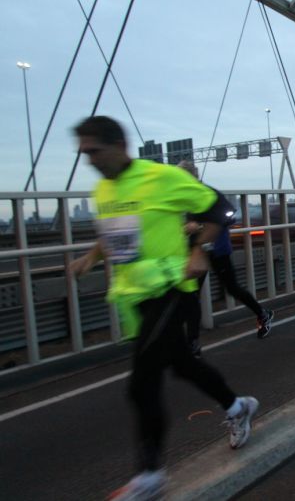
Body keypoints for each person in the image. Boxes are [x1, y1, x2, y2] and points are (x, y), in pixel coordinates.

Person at [68, 116, 258, 500]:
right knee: (183, 364)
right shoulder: (103, 190)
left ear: (119, 145)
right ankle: (238, 406)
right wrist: (90, 256)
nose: (89, 159)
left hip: (171, 287)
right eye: (84, 153)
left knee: (142, 383)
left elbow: (221, 209)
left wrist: (200, 249)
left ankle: (150, 476)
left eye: (94, 151)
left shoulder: (162, 177)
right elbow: (115, 233)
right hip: (134, 296)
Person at [176, 161, 275, 355]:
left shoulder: (209, 193)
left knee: (231, 287)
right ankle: (192, 342)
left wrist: (199, 226)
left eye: (179, 177)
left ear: (191, 176)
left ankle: (263, 314)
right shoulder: (184, 197)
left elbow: (229, 216)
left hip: (217, 249)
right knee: (191, 295)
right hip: (197, 252)